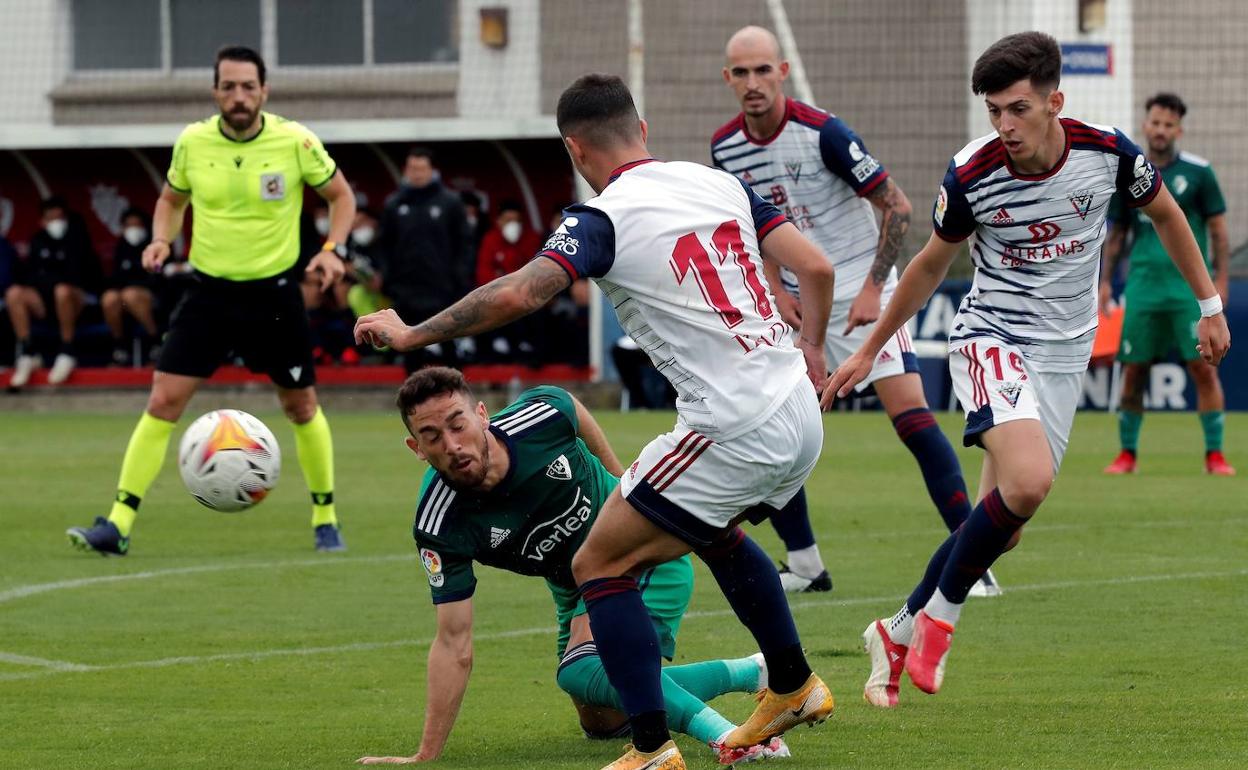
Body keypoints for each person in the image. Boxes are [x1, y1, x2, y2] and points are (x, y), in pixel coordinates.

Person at [356, 73, 838, 770]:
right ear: (641, 129)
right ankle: (789, 682)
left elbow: (520, 292)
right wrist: (814, 345)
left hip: (732, 421)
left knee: (596, 564)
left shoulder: (599, 218)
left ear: (576, 151)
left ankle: (651, 749)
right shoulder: (718, 183)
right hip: (797, 404)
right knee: (717, 535)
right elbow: (816, 268)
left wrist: (410, 336)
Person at [824, 32, 1230, 708]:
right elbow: (929, 264)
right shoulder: (971, 173)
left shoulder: (1109, 153)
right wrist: (870, 350)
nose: (1005, 126)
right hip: (993, 335)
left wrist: (1210, 305)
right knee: (1031, 480)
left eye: (1017, 109)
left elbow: (1167, 214)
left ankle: (894, 630)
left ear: (1054, 102)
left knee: (1003, 526)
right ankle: (940, 623)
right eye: (994, 112)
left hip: (1066, 351)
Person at [356, 368, 789, 767]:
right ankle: (754, 671)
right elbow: (453, 641)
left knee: (583, 670)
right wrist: (425, 755)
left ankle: (734, 737)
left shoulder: (539, 419)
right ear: (416, 448)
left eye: (457, 424)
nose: (451, 445)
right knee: (604, 720)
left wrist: (626, 485)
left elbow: (569, 404)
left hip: (637, 553)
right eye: (431, 436)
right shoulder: (440, 522)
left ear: (482, 415)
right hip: (573, 587)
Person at [713, 26, 991, 596]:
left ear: (783, 72)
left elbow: (898, 207)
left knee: (912, 420)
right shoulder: (724, 148)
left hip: (865, 295)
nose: (753, 83)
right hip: (796, 310)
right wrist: (774, 287)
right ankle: (807, 564)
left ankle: (973, 560)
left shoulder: (824, 133)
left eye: (763, 70)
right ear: (728, 79)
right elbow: (749, 227)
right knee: (778, 432)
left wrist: (872, 287)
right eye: (741, 73)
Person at [66, 45, 356, 556]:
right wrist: (161, 238)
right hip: (209, 295)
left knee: (302, 406)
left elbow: (341, 197)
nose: (239, 96)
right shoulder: (193, 142)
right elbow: (170, 200)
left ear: (264, 90)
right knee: (162, 402)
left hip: (274, 296)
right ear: (215, 91)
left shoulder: (295, 140)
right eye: (229, 86)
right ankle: (117, 524)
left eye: (248, 86)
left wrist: (333, 250)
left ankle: (325, 518)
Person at [1100, 93, 1234, 476]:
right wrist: (1106, 282)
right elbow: (1117, 235)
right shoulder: (1130, 171)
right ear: (1146, 125)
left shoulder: (1198, 173)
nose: (1160, 130)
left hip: (1186, 290)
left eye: (1168, 125)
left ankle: (1215, 455)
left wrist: (1220, 280)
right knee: (1133, 371)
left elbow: (1219, 231)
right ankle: (1127, 454)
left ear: (1179, 130)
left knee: (1203, 369)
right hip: (1142, 286)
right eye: (1155, 123)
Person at [376, 147, 473, 370]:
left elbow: (464, 243)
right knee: (410, 349)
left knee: (449, 348)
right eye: (412, 168)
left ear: (432, 170)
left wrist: (459, 278)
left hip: (443, 290)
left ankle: (455, 398)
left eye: (421, 168)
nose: (416, 173)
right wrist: (388, 279)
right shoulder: (394, 204)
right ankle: (413, 402)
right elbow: (383, 245)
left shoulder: (450, 202)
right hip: (406, 291)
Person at [5, 196, 100, 389]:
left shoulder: (77, 238)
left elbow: (79, 276)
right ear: (42, 221)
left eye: (59, 217)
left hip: (78, 301)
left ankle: (67, 351)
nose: (56, 223)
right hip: (45, 302)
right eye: (51, 218)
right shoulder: (38, 240)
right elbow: (30, 276)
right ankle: (28, 352)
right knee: (14, 293)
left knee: (62, 290)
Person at [475, 200, 542, 360]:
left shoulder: (531, 238)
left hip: (525, 295)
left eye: (516, 221)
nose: (513, 224)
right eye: (508, 220)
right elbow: (484, 274)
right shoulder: (490, 239)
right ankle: (497, 346)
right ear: (499, 221)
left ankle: (529, 347)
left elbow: (535, 270)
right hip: (498, 295)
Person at [101, 207, 160, 366]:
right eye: (129, 225)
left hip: (152, 299)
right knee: (110, 298)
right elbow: (116, 277)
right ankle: (120, 348)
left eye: (137, 225)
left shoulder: (155, 246)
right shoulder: (121, 247)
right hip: (125, 301)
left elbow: (161, 276)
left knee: (130, 294)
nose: (133, 229)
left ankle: (155, 342)